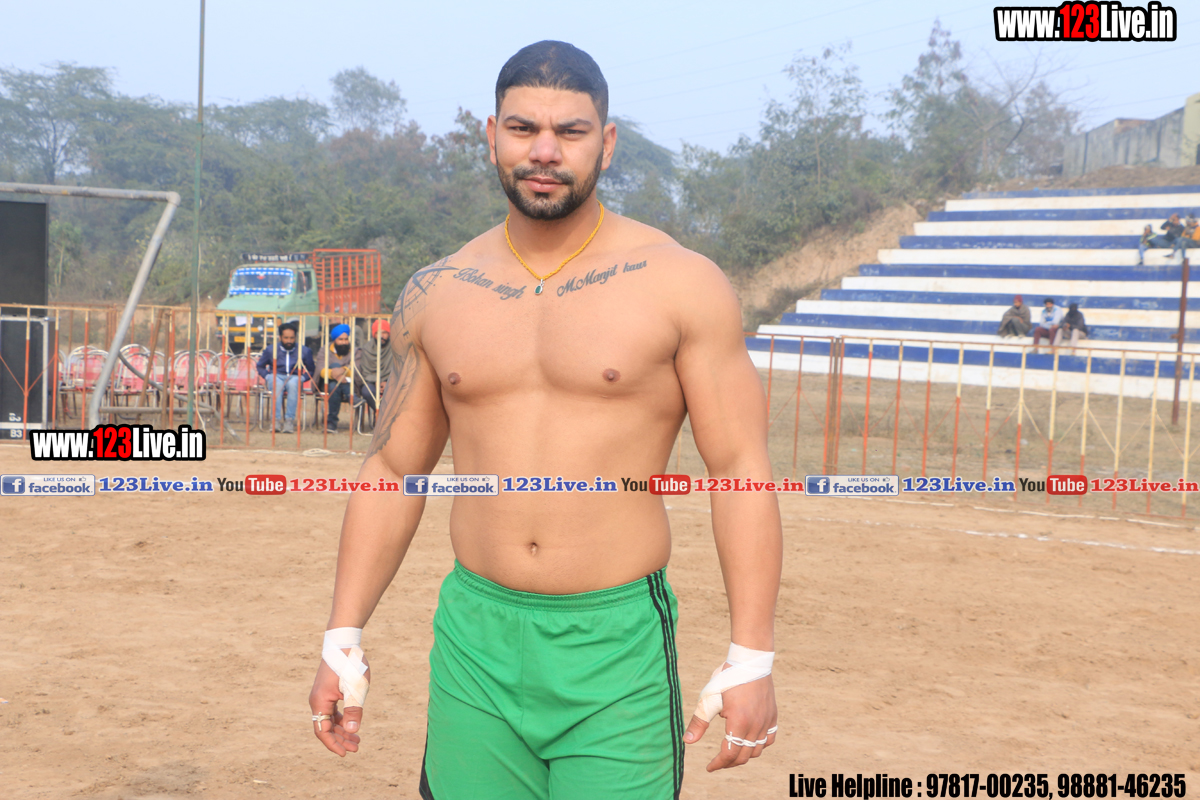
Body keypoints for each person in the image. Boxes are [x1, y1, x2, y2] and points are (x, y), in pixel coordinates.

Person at [308, 40, 782, 800]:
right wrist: (342, 635)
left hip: (614, 645)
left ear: (608, 142)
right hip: (476, 639)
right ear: (491, 134)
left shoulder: (681, 284)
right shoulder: (438, 291)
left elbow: (740, 470)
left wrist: (752, 656)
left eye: (571, 131)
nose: (545, 151)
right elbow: (394, 470)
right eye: (524, 128)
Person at [255, 322, 314, 433]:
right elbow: (260, 366)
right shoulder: (271, 350)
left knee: (293, 384)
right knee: (276, 383)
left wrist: (302, 378)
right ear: (280, 337)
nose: (289, 341)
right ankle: (275, 421)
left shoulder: (304, 351)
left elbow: (311, 369)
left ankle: (289, 421)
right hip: (276, 376)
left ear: (295, 337)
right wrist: (267, 376)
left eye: (292, 338)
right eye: (286, 338)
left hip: (295, 377)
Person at [314, 324, 354, 434]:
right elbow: (320, 370)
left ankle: (331, 423)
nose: (344, 342)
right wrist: (335, 374)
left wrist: (342, 371)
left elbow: (357, 369)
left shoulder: (354, 351)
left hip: (349, 383)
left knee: (334, 385)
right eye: (340, 339)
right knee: (333, 379)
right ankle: (352, 397)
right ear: (334, 340)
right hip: (326, 383)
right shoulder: (324, 350)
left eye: (346, 339)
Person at [353, 319, 391, 414]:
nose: (381, 336)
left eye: (384, 333)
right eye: (378, 333)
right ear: (374, 334)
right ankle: (381, 414)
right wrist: (377, 381)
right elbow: (365, 371)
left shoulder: (395, 347)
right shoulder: (367, 349)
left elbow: (398, 369)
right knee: (367, 391)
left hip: (391, 381)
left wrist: (387, 381)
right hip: (371, 382)